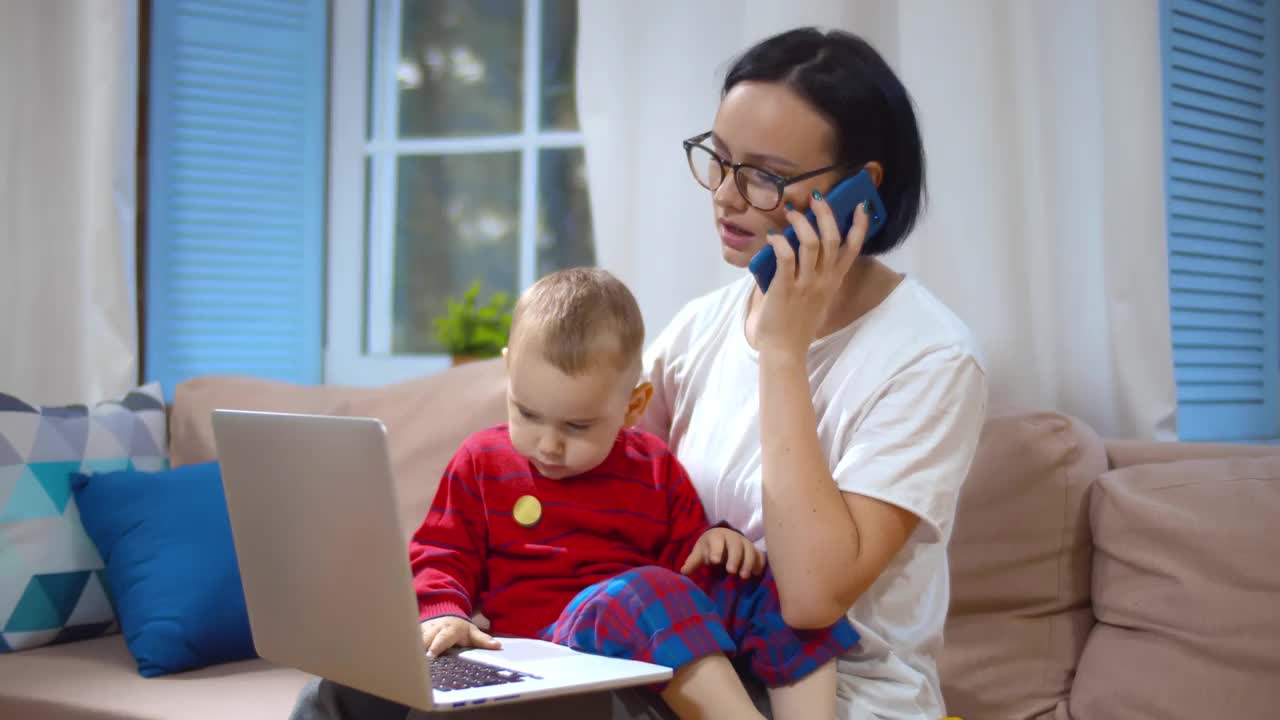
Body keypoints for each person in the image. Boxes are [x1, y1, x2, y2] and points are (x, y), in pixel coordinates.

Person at [293, 25, 986, 720]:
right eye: (718, 160)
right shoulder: (701, 327)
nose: (725, 195)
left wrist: (782, 352)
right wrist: (456, 603)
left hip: (820, 695)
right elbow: (585, 477)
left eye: (764, 177)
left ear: (860, 190)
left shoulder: (929, 359)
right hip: (654, 663)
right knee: (342, 694)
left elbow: (808, 598)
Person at [413, 266, 857, 720]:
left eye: (577, 426)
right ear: (509, 369)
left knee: (775, 587)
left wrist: (713, 542)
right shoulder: (481, 461)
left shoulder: (652, 463)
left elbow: (687, 557)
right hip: (547, 642)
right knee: (646, 591)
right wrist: (445, 611)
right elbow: (440, 551)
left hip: (637, 634)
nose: (549, 443)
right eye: (527, 413)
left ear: (634, 406)